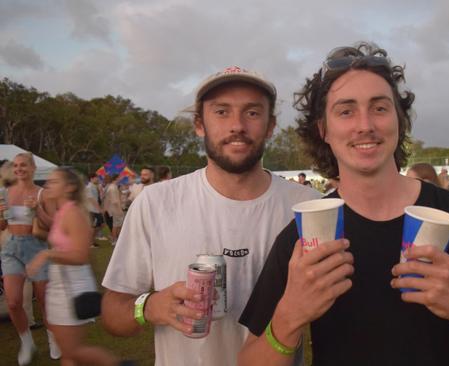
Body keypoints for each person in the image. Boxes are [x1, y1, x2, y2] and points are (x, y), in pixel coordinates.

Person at [238, 42, 449, 366]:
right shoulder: (303, 237)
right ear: (324, 130)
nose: (365, 125)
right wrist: (288, 317)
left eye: (379, 107)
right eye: (346, 111)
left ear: (399, 120)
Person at [100, 66, 320, 366]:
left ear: (270, 126)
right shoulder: (156, 202)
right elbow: (112, 312)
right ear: (199, 124)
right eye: (221, 112)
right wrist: (149, 307)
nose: (237, 126)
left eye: (253, 113)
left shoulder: (308, 207)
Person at [26, 167, 126, 365]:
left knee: (74, 352)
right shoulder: (63, 211)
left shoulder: (73, 213)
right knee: (69, 354)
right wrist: (36, 210)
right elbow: (58, 236)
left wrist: (47, 253)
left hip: (71, 288)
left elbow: (81, 256)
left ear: (69, 187)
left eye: (54, 181)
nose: (47, 185)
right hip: (60, 284)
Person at [0, 153, 60, 364]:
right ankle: (27, 343)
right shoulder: (4, 193)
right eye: (16, 166)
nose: (19, 169)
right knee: (14, 302)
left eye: (23, 165)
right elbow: (2, 226)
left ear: (33, 168)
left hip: (36, 248)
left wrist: (37, 210)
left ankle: (53, 338)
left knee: (44, 300)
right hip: (11, 248)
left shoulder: (43, 194)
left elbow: (54, 226)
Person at [102, 174, 123, 245]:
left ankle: (117, 239)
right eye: (120, 178)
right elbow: (115, 201)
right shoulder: (113, 188)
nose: (121, 179)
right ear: (117, 178)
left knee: (118, 225)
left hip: (112, 209)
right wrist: (119, 210)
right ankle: (114, 240)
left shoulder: (112, 187)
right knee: (116, 225)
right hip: (115, 210)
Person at [85, 173, 104, 246]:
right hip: (92, 210)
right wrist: (99, 209)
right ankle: (90, 242)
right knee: (93, 227)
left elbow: (97, 198)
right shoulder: (89, 187)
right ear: (91, 178)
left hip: (96, 210)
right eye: (96, 178)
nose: (98, 179)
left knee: (101, 225)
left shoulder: (94, 186)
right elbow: (91, 199)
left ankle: (92, 240)